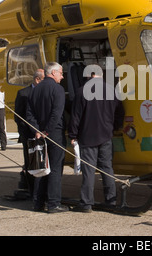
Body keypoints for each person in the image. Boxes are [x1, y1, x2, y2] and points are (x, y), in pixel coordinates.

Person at [68, 65, 124, 213]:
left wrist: (72, 135)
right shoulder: (112, 90)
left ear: (91, 75)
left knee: (89, 170)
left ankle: (86, 203)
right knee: (107, 168)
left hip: (87, 136)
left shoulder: (82, 91)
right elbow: (120, 112)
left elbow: (76, 117)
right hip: (106, 135)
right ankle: (111, 200)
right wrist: (115, 127)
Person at [26, 62, 68, 213]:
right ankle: (53, 203)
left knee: (41, 168)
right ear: (54, 72)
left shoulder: (35, 90)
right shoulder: (58, 89)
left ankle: (38, 203)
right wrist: (47, 131)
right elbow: (57, 114)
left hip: (39, 134)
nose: (62, 77)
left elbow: (29, 114)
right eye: (61, 73)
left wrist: (37, 130)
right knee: (55, 169)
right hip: (54, 133)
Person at [14, 69, 45, 194]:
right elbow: (18, 117)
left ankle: (42, 190)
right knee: (31, 162)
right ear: (37, 79)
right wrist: (29, 132)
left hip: (43, 134)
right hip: (29, 136)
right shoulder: (23, 93)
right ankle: (32, 190)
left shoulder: (45, 92)